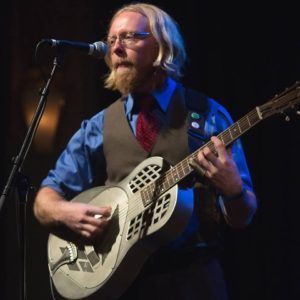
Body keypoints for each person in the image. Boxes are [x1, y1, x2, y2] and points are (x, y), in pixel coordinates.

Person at [34, 3, 257, 300]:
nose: (116, 48)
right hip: (122, 288)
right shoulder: (98, 126)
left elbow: (243, 217)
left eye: (129, 37)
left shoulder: (207, 116)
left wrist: (233, 189)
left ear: (162, 46)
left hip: (194, 283)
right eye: (112, 40)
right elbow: (46, 197)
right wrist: (61, 211)